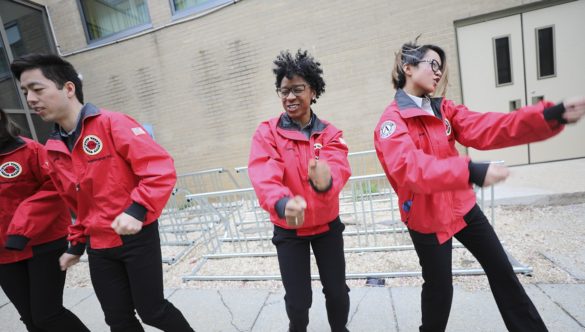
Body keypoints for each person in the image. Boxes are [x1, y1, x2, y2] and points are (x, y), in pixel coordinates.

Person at [374, 40, 585, 332]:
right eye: (432, 64)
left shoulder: (444, 109)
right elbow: (411, 170)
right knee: (439, 291)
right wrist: (470, 170)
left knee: (502, 271)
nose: (438, 73)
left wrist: (550, 115)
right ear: (407, 68)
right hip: (427, 218)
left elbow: (488, 126)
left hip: (463, 208)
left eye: (441, 67)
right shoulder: (391, 122)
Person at [11, 54, 194, 332]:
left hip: (136, 238)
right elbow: (76, 204)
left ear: (68, 88)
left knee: (152, 311)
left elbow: (159, 169)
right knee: (117, 319)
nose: (31, 99)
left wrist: (137, 209)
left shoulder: (112, 123)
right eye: (25, 93)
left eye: (37, 89)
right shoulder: (53, 149)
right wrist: (76, 244)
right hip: (99, 247)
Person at [248, 50, 352, 332]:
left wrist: (325, 182)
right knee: (297, 301)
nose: (290, 97)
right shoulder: (267, 132)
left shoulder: (329, 133)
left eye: (297, 89)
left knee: (338, 293)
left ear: (313, 91)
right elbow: (264, 174)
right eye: (284, 91)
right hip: (289, 229)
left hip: (327, 226)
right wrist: (282, 203)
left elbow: (339, 167)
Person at [0, 108, 89, 332]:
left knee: (48, 316)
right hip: (4, 255)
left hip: (43, 243)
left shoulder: (29, 150)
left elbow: (55, 187)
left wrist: (21, 226)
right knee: (31, 319)